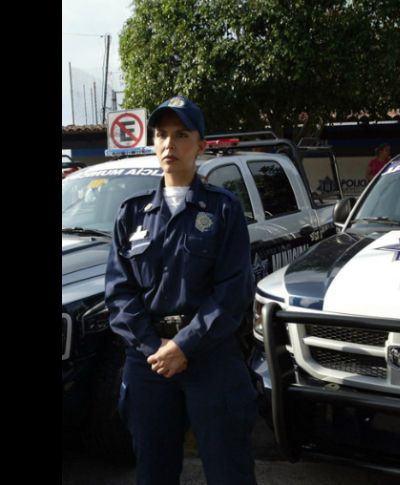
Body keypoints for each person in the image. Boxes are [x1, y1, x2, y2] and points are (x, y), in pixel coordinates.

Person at [105, 95, 258, 485]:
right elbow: (120, 294)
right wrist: (155, 348)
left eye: (181, 134)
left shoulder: (224, 210)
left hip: (211, 357)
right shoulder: (132, 214)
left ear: (201, 145)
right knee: (153, 472)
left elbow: (233, 291)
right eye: (161, 134)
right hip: (150, 360)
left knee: (229, 471)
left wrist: (183, 346)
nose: (169, 144)